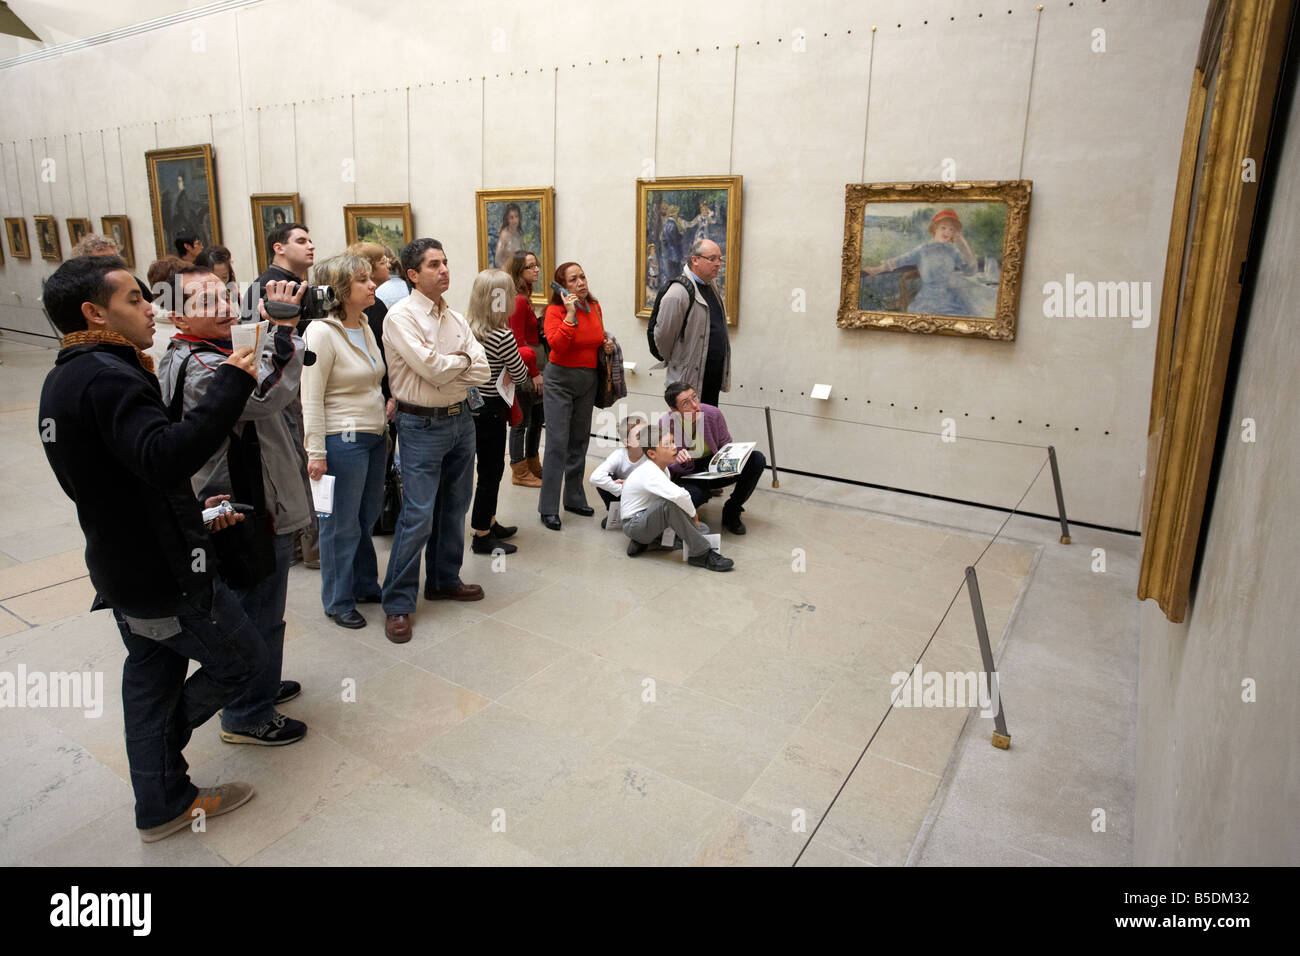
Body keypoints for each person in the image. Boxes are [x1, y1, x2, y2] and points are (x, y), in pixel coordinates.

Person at [37, 255, 263, 841]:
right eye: (135, 300)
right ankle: (161, 758)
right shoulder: (109, 377)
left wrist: (190, 513)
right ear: (94, 312)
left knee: (151, 674)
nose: (151, 309)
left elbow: (120, 478)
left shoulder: (70, 372)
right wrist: (235, 380)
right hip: (162, 573)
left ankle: (160, 800)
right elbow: (167, 457)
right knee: (241, 661)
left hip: (123, 564)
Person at [157, 263, 311, 747]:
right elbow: (265, 395)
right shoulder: (203, 366)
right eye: (206, 303)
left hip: (246, 496)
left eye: (226, 296)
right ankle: (247, 713)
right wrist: (284, 331)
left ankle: (260, 686)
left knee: (262, 604)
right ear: (174, 314)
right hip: (244, 504)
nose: (225, 307)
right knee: (259, 607)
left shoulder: (190, 352)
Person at [380, 238, 490, 644]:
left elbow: (483, 369)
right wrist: (458, 364)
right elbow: (431, 369)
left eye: (445, 262)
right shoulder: (400, 317)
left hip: (461, 420)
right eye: (433, 265)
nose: (444, 270)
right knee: (418, 514)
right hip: (420, 426)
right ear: (412, 274)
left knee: (455, 506)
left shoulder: (456, 318)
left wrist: (454, 364)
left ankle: (444, 579)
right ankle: (398, 603)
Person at [302, 254, 388, 628]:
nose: (372, 285)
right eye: (361, 280)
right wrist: (316, 452)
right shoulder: (320, 332)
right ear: (339, 290)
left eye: (370, 278)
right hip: (341, 441)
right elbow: (310, 396)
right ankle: (337, 600)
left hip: (374, 436)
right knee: (340, 525)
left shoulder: (365, 323)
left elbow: (373, 376)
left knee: (365, 518)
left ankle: (365, 584)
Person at [241, 221, 320, 569]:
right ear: (279, 247)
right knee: (297, 464)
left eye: (310, 239)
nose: (310, 245)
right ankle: (304, 543)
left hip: (303, 387)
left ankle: (306, 540)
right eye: (301, 240)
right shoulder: (261, 289)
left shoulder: (305, 287)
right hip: (282, 392)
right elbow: (248, 346)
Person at [538, 261, 614, 530]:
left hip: (587, 380)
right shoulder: (554, 311)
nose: (581, 283)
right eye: (573, 280)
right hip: (559, 380)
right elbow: (557, 344)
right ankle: (548, 507)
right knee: (557, 443)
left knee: (579, 441)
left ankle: (573, 497)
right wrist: (570, 315)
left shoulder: (594, 306)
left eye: (583, 276)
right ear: (562, 285)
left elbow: (595, 337)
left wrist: (605, 344)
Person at [466, 269, 535, 555]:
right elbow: (520, 374)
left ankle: (490, 521)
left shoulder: (467, 327)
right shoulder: (502, 334)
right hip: (493, 407)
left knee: (485, 469)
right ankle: (482, 534)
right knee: (491, 471)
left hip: (472, 403)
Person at [620, 425, 733, 571]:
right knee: (670, 505)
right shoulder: (649, 472)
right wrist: (693, 515)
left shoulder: (663, 469)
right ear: (652, 454)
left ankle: (648, 542)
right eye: (667, 445)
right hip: (634, 524)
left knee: (702, 529)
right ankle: (701, 554)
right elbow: (680, 495)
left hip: (650, 519)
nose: (674, 447)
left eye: (673, 442)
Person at [659, 381, 765, 535]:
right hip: (688, 473)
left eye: (695, 398)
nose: (695, 405)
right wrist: (679, 461)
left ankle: (732, 510)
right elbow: (666, 464)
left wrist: (729, 465)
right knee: (694, 497)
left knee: (756, 459)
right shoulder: (666, 423)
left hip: (714, 466)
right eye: (686, 403)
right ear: (674, 410)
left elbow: (726, 445)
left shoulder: (712, 413)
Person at [652, 238, 732, 408]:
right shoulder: (678, 293)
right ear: (695, 260)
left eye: (720, 259)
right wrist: (679, 362)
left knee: (705, 431)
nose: (718, 264)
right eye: (712, 259)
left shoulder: (712, 286)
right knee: (688, 433)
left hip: (710, 380)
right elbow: (663, 338)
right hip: (687, 384)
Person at [862, 208, 987, 316]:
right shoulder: (923, 250)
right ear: (935, 228)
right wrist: (876, 270)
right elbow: (900, 260)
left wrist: (962, 242)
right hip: (927, 300)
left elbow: (970, 271)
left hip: (950, 299)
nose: (947, 232)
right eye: (943, 228)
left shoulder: (952, 250)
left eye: (951, 229)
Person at [507, 250, 545, 488]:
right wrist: (534, 373)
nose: (536, 270)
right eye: (530, 266)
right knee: (522, 421)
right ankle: (519, 469)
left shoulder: (525, 296)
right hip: (526, 368)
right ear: (519, 272)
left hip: (535, 365)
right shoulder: (518, 300)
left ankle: (532, 464)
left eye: (536, 265)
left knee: (536, 419)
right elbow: (517, 341)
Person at [589, 414, 648, 527]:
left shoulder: (651, 455)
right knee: (605, 481)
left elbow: (664, 478)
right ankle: (618, 512)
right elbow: (595, 477)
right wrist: (621, 488)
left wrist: (631, 486)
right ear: (628, 442)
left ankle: (634, 515)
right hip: (624, 493)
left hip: (643, 495)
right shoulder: (619, 455)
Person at [494, 202, 524, 267]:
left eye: (516, 216)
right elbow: (497, 260)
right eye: (511, 217)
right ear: (507, 219)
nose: (515, 220)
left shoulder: (520, 233)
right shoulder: (504, 235)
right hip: (506, 273)